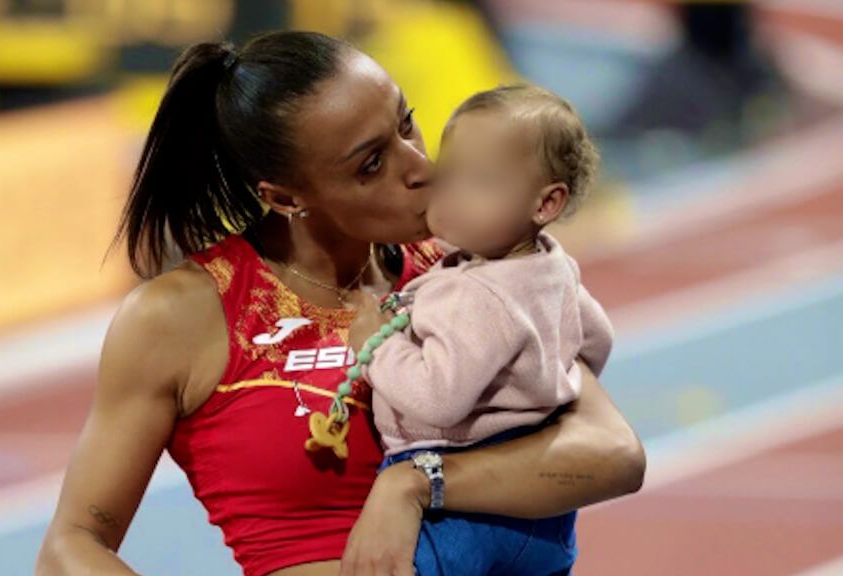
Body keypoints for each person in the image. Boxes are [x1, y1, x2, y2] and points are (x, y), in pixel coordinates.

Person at [35, 31, 645, 576]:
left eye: (407, 124)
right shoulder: (184, 315)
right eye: (371, 163)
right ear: (284, 197)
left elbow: (613, 454)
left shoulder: (469, 268)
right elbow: (70, 546)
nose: (421, 168)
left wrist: (415, 484)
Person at [344, 84, 613, 575]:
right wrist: (540, 381)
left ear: (546, 203)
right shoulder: (554, 268)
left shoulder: (480, 294)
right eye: (449, 178)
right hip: (541, 506)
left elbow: (438, 398)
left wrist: (376, 350)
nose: (453, 198)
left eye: (482, 183)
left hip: (462, 507)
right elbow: (595, 339)